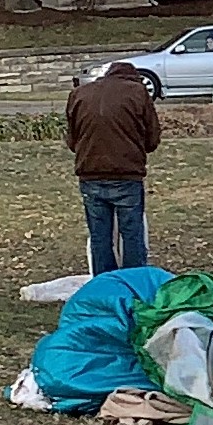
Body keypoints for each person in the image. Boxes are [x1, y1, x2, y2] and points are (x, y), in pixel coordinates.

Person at [64, 62, 161, 273]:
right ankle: (134, 285)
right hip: (127, 174)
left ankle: (104, 288)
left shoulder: (80, 94)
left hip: (90, 174)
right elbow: (152, 140)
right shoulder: (138, 92)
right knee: (131, 235)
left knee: (100, 237)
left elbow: (72, 141)